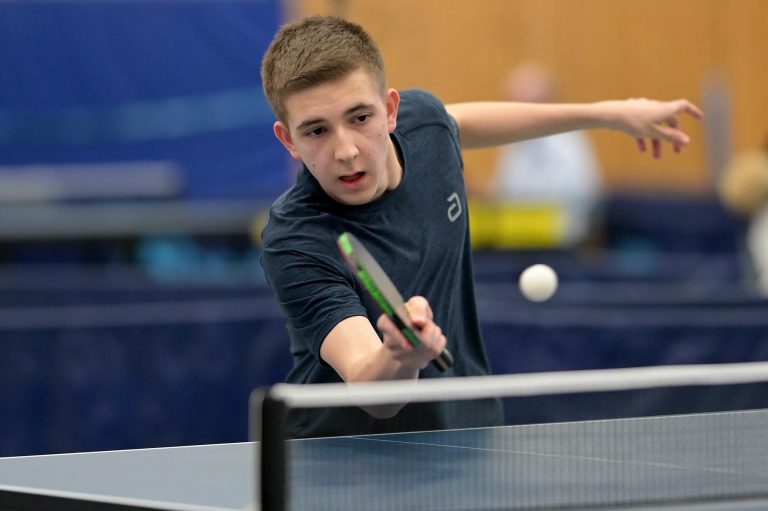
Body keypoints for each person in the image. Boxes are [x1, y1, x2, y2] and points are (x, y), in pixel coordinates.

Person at [259, 15, 702, 438]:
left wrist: (609, 114)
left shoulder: (425, 124)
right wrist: (401, 356)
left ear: (391, 111)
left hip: (468, 431)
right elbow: (371, 389)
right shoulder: (295, 239)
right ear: (288, 140)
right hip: (347, 459)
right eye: (316, 131)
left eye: (360, 118)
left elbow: (459, 123)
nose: (346, 151)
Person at [491, 63, 602, 245]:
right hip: (517, 238)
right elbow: (503, 194)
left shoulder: (570, 142)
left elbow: (583, 198)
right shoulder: (513, 143)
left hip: (561, 242)